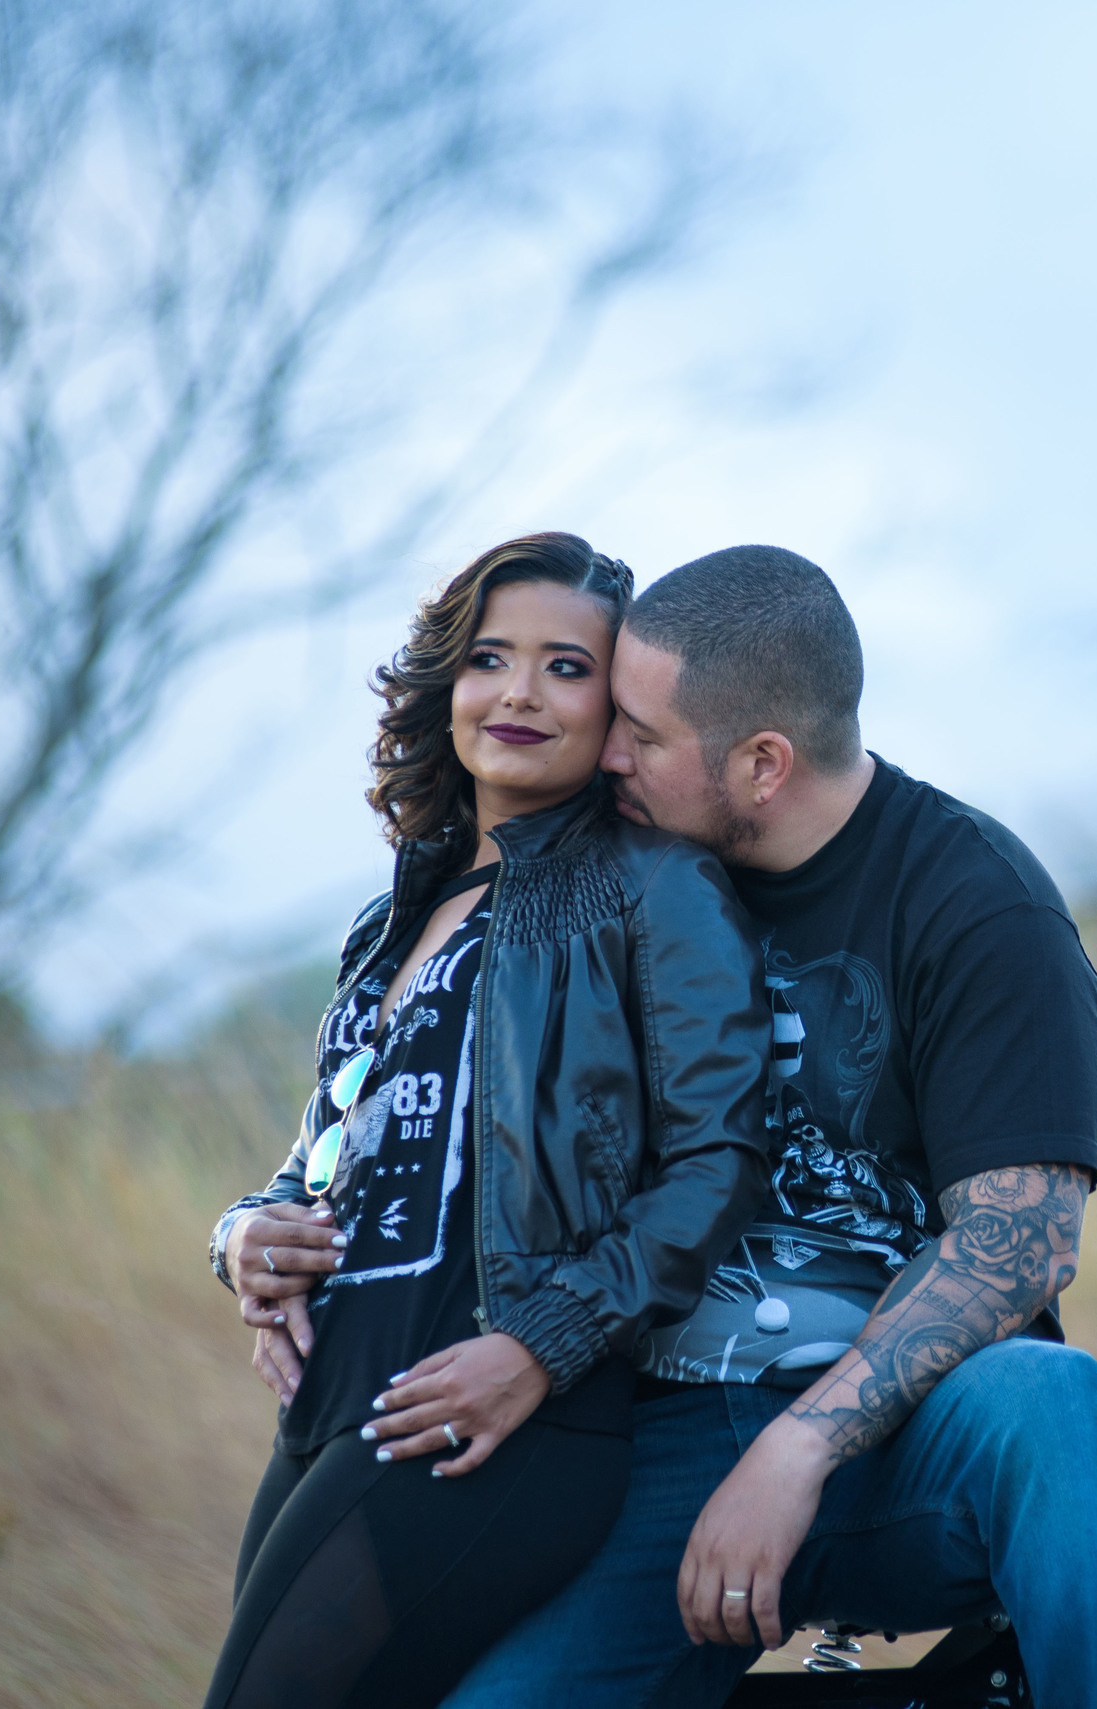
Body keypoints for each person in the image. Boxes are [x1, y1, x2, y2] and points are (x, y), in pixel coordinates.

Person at [447, 546, 1097, 1709]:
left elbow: (1020, 1244)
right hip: (656, 1437)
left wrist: (797, 1448)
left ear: (762, 763)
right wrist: (264, 1221)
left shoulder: (977, 906)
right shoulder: (613, 874)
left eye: (642, 735)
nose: (608, 754)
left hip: (902, 1434)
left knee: (1050, 1402)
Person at [201, 533, 773, 1709]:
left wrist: (544, 1343)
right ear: (443, 683)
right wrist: (247, 1235)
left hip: (495, 1420)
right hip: (328, 1409)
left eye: (566, 667)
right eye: (488, 658)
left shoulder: (652, 885)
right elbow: (334, 1147)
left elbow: (718, 1156)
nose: (517, 692)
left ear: (615, 707)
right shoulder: (390, 912)